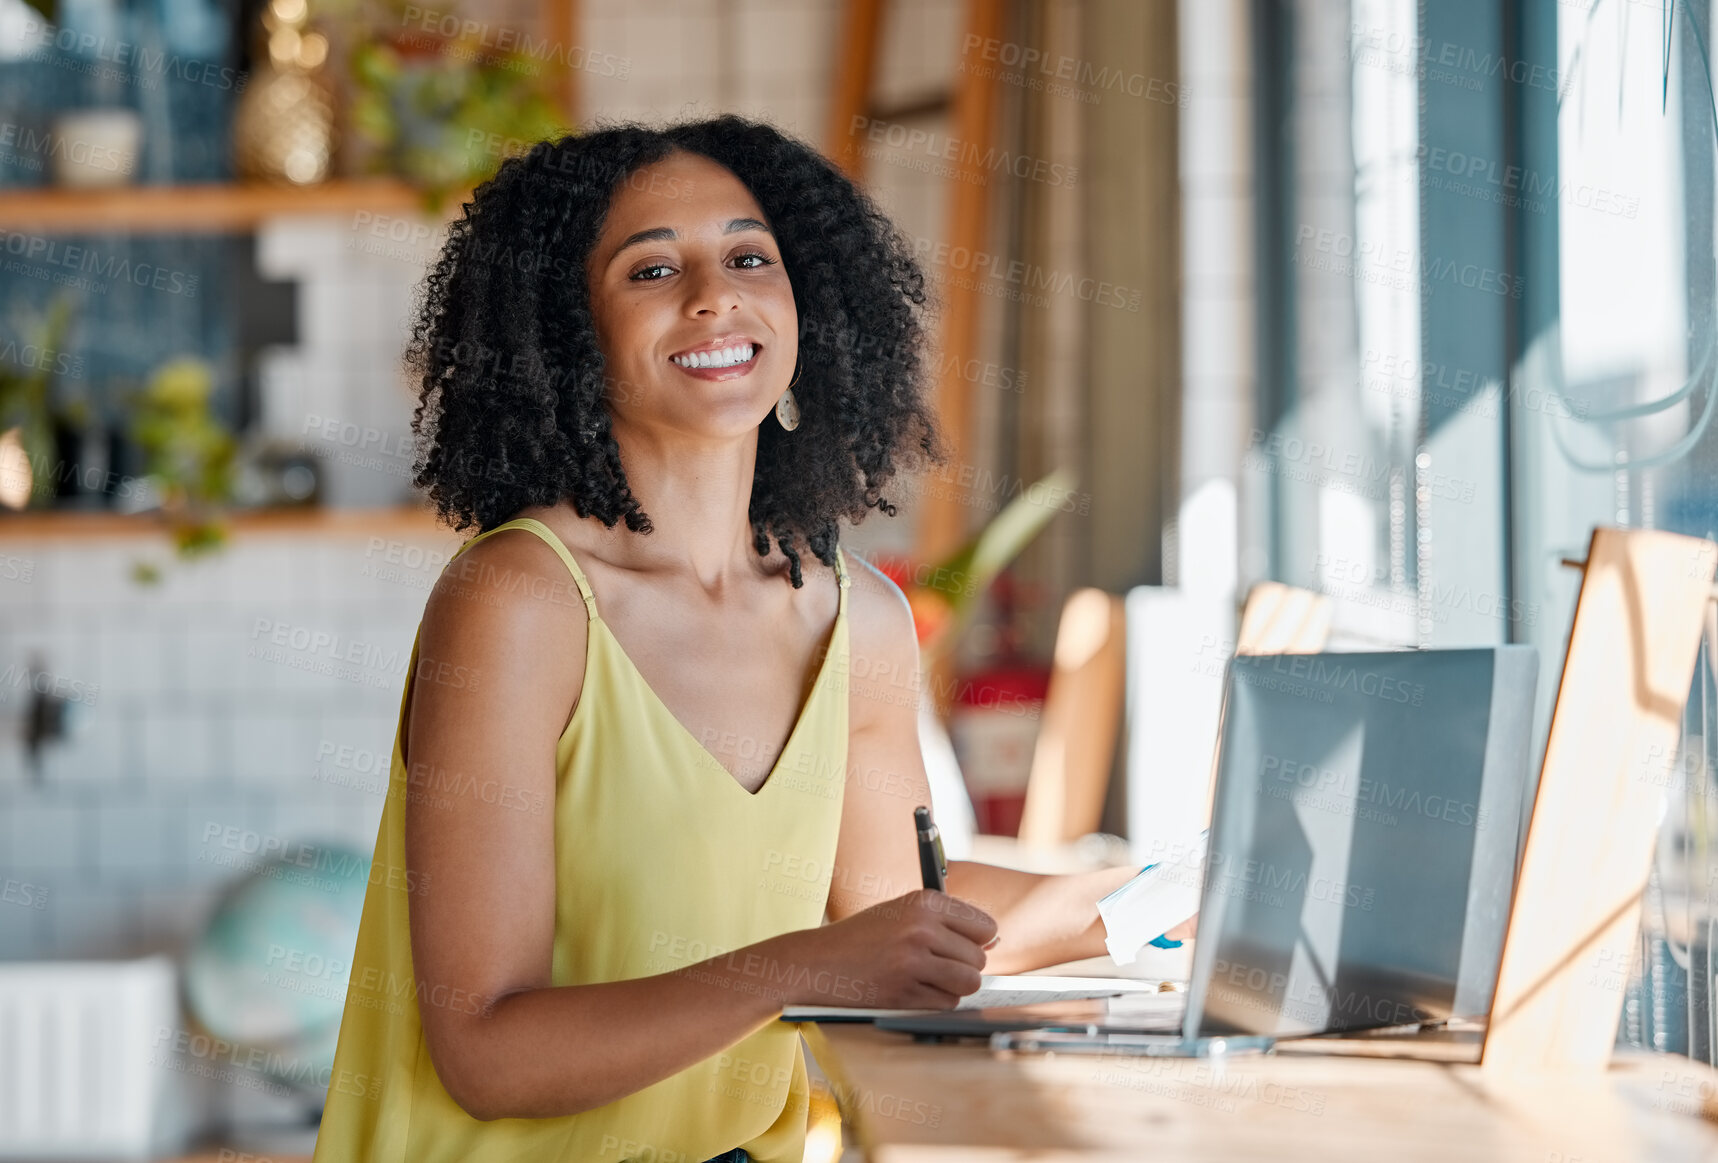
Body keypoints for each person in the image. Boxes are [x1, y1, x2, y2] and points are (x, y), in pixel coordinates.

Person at [312, 114, 1177, 1163]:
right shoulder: (520, 601)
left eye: (746, 256)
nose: (712, 293)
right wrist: (804, 964)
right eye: (650, 269)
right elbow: (489, 1053)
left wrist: (1145, 900)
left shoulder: (857, 617)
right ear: (568, 332)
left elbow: (895, 919)